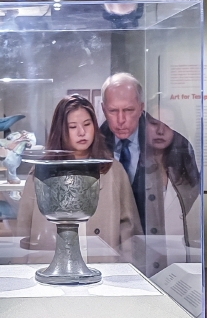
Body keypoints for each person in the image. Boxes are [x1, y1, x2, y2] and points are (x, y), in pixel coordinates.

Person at [98, 72, 201, 275]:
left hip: (158, 243)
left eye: (128, 110)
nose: (121, 120)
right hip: (111, 243)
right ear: (103, 109)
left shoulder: (174, 145)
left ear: (141, 108)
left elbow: (187, 195)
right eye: (113, 111)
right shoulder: (96, 146)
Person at [18, 95, 140, 260]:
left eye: (87, 124)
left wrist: (129, 272)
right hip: (49, 268)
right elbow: (24, 228)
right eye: (72, 126)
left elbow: (129, 230)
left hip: (102, 267)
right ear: (61, 130)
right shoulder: (41, 171)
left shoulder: (113, 170)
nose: (82, 132)